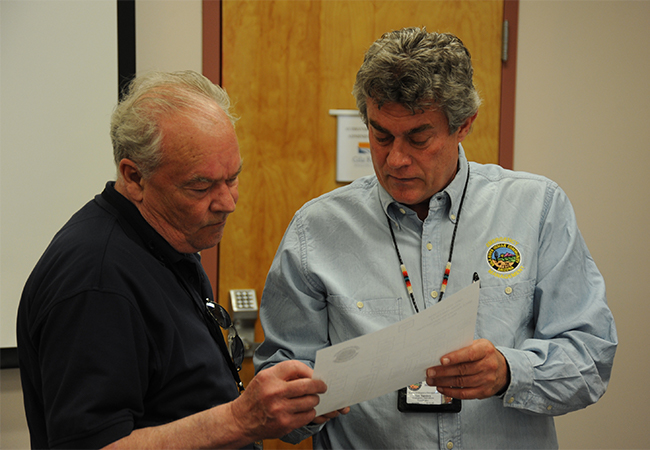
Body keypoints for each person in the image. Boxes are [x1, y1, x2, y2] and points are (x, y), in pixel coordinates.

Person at [254, 27, 617, 449]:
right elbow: (278, 394)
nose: (396, 159)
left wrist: (508, 371)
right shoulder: (315, 230)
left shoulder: (537, 208)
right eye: (380, 135)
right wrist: (300, 404)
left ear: (464, 125)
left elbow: (591, 358)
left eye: (419, 138)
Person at [16, 71, 343, 449]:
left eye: (233, 178)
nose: (227, 203)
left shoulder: (163, 241)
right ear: (134, 177)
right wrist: (241, 419)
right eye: (200, 186)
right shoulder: (97, 280)